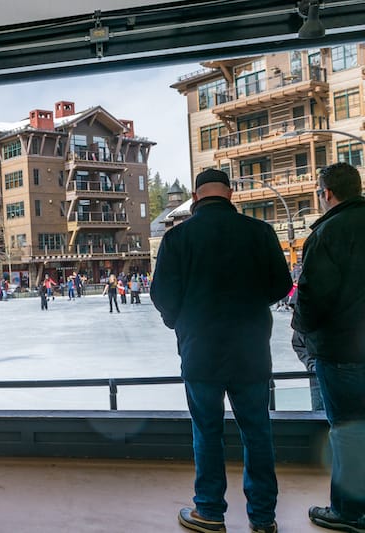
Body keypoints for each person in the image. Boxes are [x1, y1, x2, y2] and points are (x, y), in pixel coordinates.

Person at [150, 168, 291, 533]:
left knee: (207, 431)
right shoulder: (259, 232)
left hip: (200, 350)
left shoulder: (177, 238)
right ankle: (262, 518)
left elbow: (162, 294)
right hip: (250, 352)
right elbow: (281, 284)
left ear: (196, 198)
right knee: (257, 433)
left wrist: (181, 322)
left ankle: (210, 512)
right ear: (230, 195)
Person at [291, 162, 365, 532]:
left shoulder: (326, 234)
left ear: (327, 194)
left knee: (348, 431)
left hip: (342, 353)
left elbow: (313, 297)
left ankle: (349, 512)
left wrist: (303, 333)